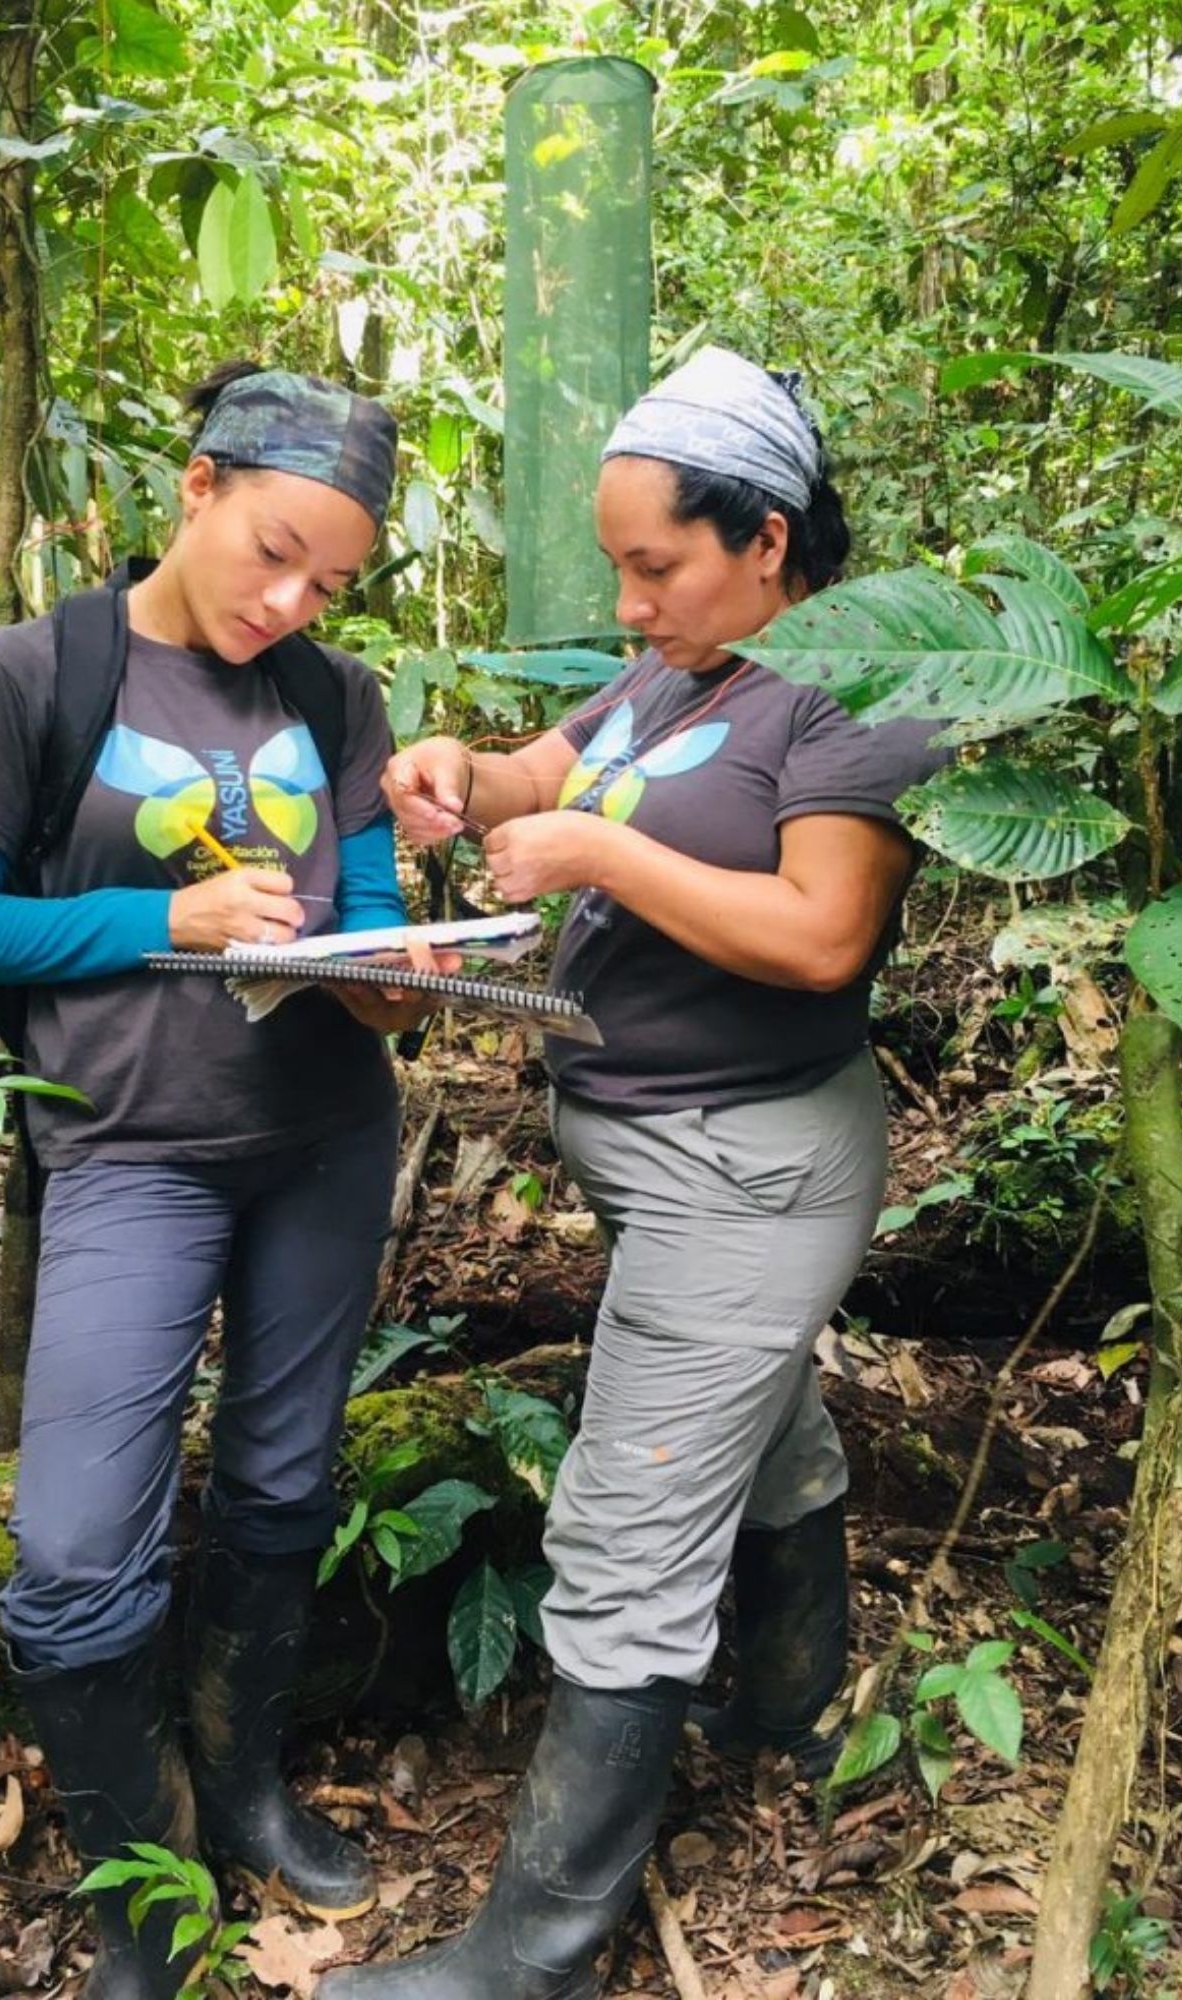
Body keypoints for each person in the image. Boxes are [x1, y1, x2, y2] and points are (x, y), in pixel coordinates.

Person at [321, 346, 948, 1999]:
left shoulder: (855, 688)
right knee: (762, 1433)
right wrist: (468, 773)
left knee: (626, 1526)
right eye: (618, 565)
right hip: (666, 1162)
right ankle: (788, 1713)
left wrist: (600, 851)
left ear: (765, 538)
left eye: (654, 563)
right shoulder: (676, 677)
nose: (632, 596)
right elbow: (555, 768)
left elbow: (824, 937)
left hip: (746, 1168)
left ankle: (529, 1949)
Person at [0, 364, 442, 1998]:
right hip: (128, 1151)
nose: (290, 602)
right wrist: (165, 923)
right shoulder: (38, 671)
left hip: (323, 1144)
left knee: (283, 1486)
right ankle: (139, 1881)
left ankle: (247, 1787)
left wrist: (395, 972)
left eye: (329, 582)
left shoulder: (338, 700)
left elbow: (363, 904)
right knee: (70, 1556)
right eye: (273, 551)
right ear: (195, 488)